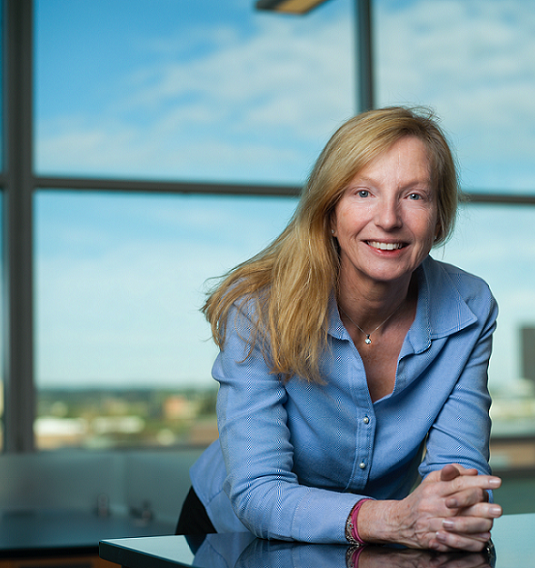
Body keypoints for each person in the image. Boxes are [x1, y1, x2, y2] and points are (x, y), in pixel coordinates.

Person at [177, 106, 502, 552]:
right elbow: (258, 492)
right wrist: (392, 517)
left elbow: (459, 473)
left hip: (380, 535)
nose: (388, 219)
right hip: (229, 533)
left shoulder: (469, 307)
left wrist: (456, 505)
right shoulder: (259, 308)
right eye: (364, 193)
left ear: (440, 219)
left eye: (414, 196)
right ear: (329, 214)